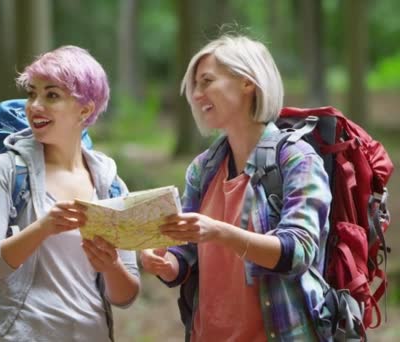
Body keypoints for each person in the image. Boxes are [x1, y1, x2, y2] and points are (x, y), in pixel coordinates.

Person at [140, 34, 333, 341]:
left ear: (247, 82)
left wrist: (219, 232)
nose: (197, 94)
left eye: (207, 81)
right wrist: (166, 264)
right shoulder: (203, 169)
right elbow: (185, 254)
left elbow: (298, 252)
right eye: (195, 86)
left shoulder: (297, 159)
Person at [0, 45, 140, 341]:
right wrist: (43, 228)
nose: (35, 105)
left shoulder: (111, 185)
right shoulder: (6, 171)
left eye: (52, 95)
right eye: (32, 93)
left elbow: (125, 296)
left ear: (85, 110)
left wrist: (111, 266)